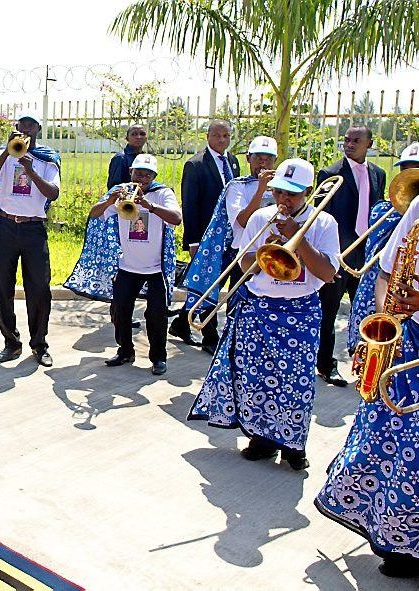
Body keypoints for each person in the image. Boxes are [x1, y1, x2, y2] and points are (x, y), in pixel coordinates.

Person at [188, 158, 340, 471]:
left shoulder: (324, 223)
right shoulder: (260, 218)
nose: (284, 200)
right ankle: (262, 439)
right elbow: (244, 267)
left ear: (309, 192)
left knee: (295, 383)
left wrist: (300, 238)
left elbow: (326, 273)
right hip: (259, 308)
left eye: (293, 194)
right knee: (256, 378)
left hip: (300, 312)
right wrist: (264, 251)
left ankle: (293, 445)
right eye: (280, 192)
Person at [315, 192, 419, 579]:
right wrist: (388, 318)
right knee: (391, 444)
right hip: (409, 341)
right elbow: (388, 272)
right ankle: (399, 543)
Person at [0, 113, 61, 367]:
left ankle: (39, 344)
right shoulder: (3, 154)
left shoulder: (48, 159)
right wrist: (7, 152)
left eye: (30, 126)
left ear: (38, 129)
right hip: (5, 226)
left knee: (39, 288)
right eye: (21, 125)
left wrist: (30, 170)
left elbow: (53, 193)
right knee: (2, 285)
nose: (25, 129)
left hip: (33, 229)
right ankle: (11, 342)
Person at [179, 136, 279, 344]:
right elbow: (242, 220)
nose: (263, 163)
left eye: (268, 159)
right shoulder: (238, 186)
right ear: (248, 158)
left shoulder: (281, 188)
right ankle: (212, 337)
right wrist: (261, 189)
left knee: (245, 299)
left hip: (268, 252)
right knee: (212, 292)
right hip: (237, 251)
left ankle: (183, 324)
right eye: (258, 158)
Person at [90, 154, 181, 375]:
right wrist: (111, 200)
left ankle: (158, 357)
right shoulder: (121, 192)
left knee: (156, 314)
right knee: (120, 310)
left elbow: (176, 218)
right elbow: (94, 214)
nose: (142, 177)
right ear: (131, 171)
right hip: (128, 265)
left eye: (147, 174)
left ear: (154, 176)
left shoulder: (163, 193)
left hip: (156, 267)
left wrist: (149, 206)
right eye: (138, 172)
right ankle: (125, 350)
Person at [316, 126, 387, 386]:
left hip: (366, 258)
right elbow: (320, 220)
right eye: (346, 140)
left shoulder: (379, 174)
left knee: (366, 313)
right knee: (329, 312)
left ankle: (366, 367)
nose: (349, 144)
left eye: (356, 141)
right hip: (338, 257)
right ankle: (325, 364)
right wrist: (327, 259)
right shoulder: (330, 174)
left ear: (370, 143)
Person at [171, 120, 241, 352]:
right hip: (205, 237)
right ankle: (210, 336)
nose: (222, 140)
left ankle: (182, 322)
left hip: (230, 236)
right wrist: (193, 241)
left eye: (226, 135)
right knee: (210, 284)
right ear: (208, 137)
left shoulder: (233, 161)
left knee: (209, 283)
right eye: (217, 135)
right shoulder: (196, 165)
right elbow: (190, 206)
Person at [344, 142, 419, 354]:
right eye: (405, 169)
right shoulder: (383, 210)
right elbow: (378, 257)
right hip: (379, 290)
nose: (409, 175)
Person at [107, 123, 147, 189]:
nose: (138, 137)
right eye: (134, 134)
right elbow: (114, 187)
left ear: (146, 138)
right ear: (127, 138)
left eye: (142, 134)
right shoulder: (120, 158)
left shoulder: (145, 158)